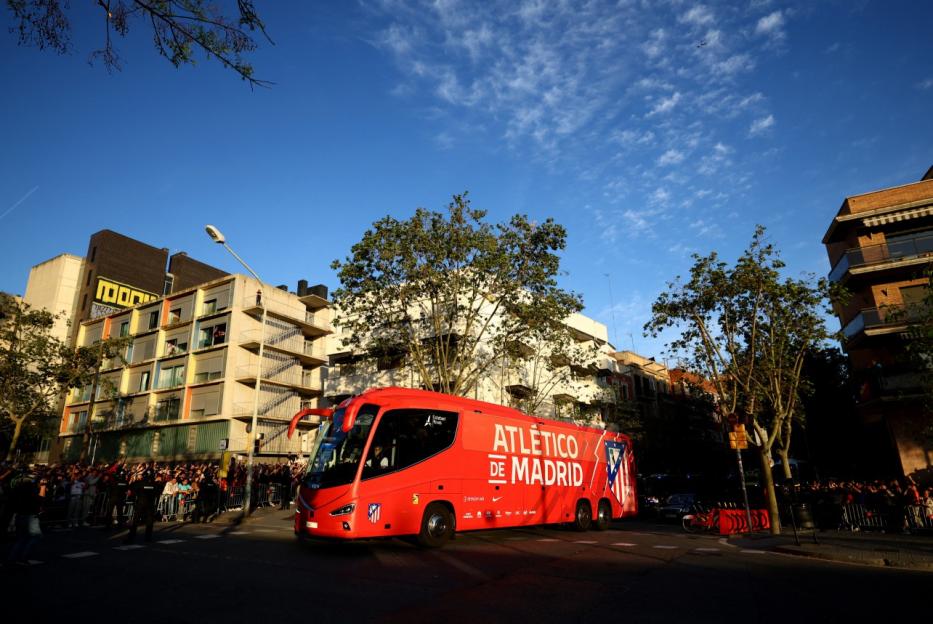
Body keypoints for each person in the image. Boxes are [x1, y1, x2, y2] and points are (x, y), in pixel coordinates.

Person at [5, 469, 42, 565]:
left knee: (20, 538)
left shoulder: (17, 489)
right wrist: (42, 488)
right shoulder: (31, 490)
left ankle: (11, 558)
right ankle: (23, 557)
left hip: (19, 515)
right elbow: (40, 499)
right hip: (30, 516)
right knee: (35, 537)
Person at [126, 465, 157, 543]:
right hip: (150, 505)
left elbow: (131, 490)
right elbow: (157, 492)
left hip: (140, 504)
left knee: (136, 521)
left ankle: (131, 538)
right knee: (149, 522)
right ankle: (148, 538)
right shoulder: (154, 484)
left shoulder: (139, 483)